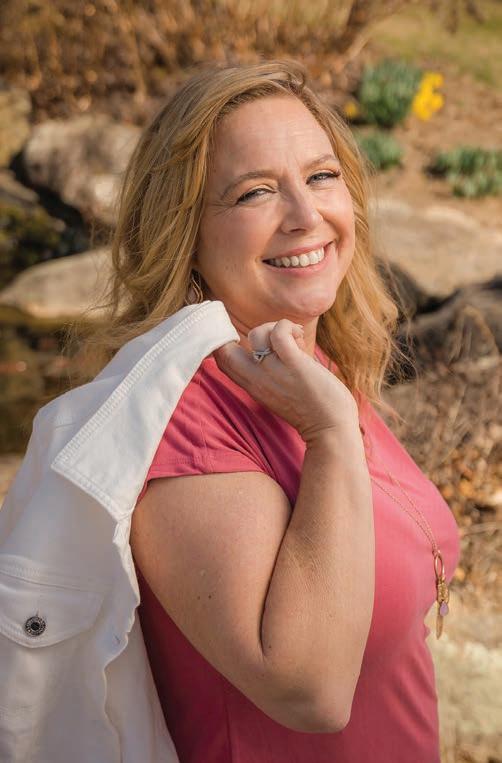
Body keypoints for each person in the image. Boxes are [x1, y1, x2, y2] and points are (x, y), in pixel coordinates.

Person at [0, 61, 460, 762]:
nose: (306, 216)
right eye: (255, 192)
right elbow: (309, 691)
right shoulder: (189, 422)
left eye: (321, 176)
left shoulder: (314, 369)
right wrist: (332, 434)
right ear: (185, 230)